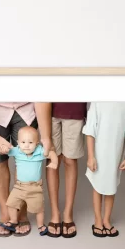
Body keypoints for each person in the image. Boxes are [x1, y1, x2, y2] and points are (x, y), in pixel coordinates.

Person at [0, 102, 53, 236]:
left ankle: (22, 213)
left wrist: (46, 137)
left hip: (27, 109)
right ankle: (6, 211)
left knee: (26, 158)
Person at [83, 102, 125, 237]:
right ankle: (98, 220)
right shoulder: (98, 100)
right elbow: (90, 129)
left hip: (116, 152)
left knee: (111, 186)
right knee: (97, 185)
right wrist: (91, 156)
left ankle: (106, 219)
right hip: (99, 151)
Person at [0, 126, 59, 237]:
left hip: (35, 187)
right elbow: (5, 151)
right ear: (18, 143)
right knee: (11, 204)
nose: (26, 145)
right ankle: (13, 220)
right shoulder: (17, 150)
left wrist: (54, 162)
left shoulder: (39, 151)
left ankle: (40, 225)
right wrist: (3, 148)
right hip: (19, 187)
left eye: (30, 142)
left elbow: (51, 153)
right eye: (23, 142)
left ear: (37, 143)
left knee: (39, 209)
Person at [45, 102, 86, 238]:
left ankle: (68, 213)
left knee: (70, 160)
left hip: (74, 108)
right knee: (52, 159)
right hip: (48, 108)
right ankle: (54, 213)